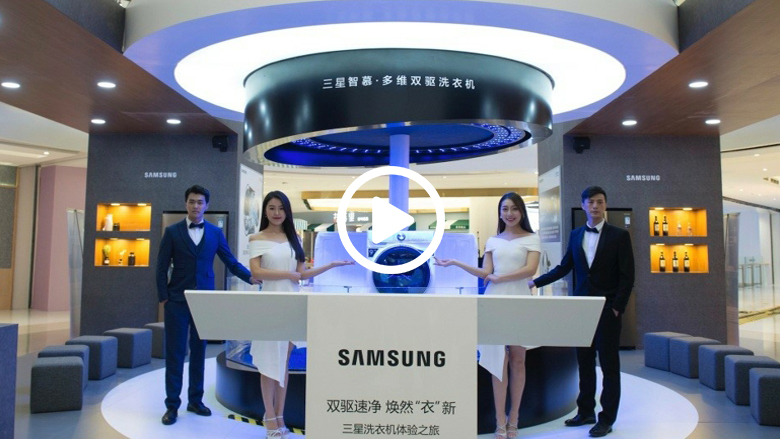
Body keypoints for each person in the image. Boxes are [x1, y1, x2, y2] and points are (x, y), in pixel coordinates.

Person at [528, 186, 634, 438]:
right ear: (584, 205)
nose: (595, 206)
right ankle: (586, 411)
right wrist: (535, 282)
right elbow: (564, 267)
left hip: (607, 309)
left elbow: (628, 276)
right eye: (591, 202)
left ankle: (606, 418)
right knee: (584, 363)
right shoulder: (576, 235)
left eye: (600, 202)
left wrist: (617, 307)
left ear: (605, 205)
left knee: (609, 365)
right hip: (581, 309)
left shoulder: (619, 236)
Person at [248, 190, 353, 438]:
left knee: (283, 363)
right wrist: (287, 275)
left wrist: (331, 265)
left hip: (291, 305)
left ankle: (280, 415)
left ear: (287, 211)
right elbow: (256, 272)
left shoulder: (293, 238)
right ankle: (269, 416)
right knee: (268, 363)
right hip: (269, 306)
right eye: (272, 208)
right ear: (265, 211)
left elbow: (302, 274)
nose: (277, 213)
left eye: (281, 208)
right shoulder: (256, 238)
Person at [435, 192, 540, 439]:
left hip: (520, 302)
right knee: (496, 362)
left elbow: (530, 269)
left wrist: (500, 278)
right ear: (500, 213)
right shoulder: (493, 240)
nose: (509, 213)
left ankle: (514, 418)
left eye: (514, 208)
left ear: (521, 212)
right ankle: (499, 421)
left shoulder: (532, 239)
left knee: (518, 361)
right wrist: (456, 263)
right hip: (495, 302)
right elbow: (486, 272)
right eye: (505, 209)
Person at [156, 185, 258, 426]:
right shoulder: (172, 232)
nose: (196, 206)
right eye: (192, 201)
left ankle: (195, 400)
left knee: (200, 351)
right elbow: (161, 267)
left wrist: (252, 278)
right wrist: (164, 297)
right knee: (175, 353)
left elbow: (231, 262)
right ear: (186, 203)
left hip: (204, 302)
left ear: (206, 206)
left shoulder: (214, 233)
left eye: (200, 202)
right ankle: (172, 405)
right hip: (177, 301)